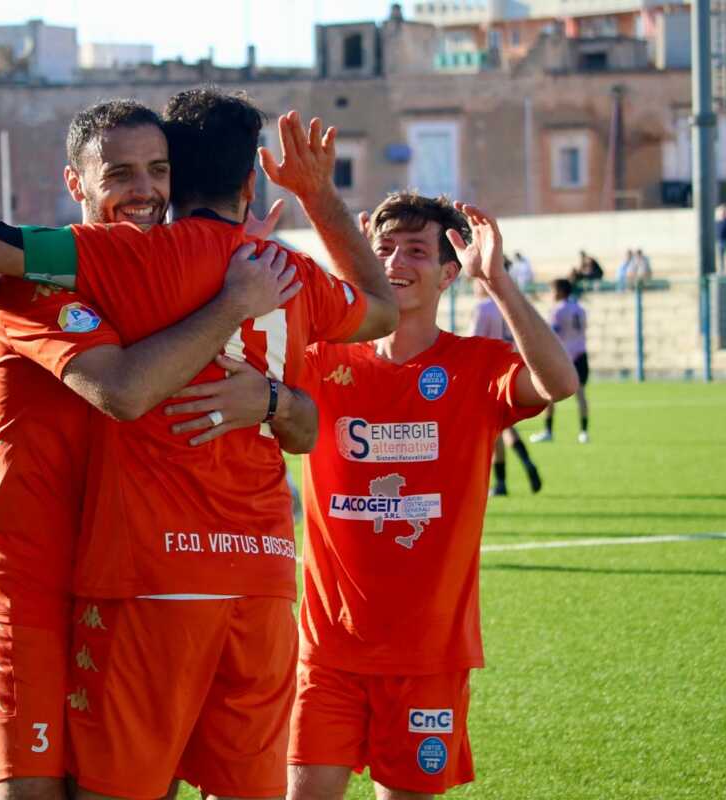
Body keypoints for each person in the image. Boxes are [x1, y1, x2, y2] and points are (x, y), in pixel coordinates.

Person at [0, 93, 397, 800]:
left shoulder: (150, 266)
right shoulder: (39, 284)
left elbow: (305, 424)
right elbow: (122, 389)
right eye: (120, 174)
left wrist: (277, 398)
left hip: (129, 568)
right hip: (33, 575)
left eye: (158, 170)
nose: (144, 190)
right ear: (76, 183)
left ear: (180, 178)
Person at [288, 193, 577, 800]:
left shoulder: (478, 366)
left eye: (416, 251)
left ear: (449, 273)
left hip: (427, 657)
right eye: (384, 248)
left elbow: (559, 382)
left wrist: (497, 282)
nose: (396, 262)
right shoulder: (321, 359)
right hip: (328, 650)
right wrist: (348, 257)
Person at [469, 280, 542, 496]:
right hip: (510, 368)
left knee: (494, 429)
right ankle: (526, 461)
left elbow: (472, 341)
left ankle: (501, 482)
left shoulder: (482, 308)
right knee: (503, 425)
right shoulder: (507, 304)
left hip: (488, 371)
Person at [531, 278, 591, 444]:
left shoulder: (557, 311)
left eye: (552, 290)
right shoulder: (580, 308)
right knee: (581, 395)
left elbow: (551, 334)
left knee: (549, 394)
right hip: (581, 355)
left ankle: (548, 431)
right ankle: (584, 432)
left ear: (560, 292)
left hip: (563, 357)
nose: (550, 294)